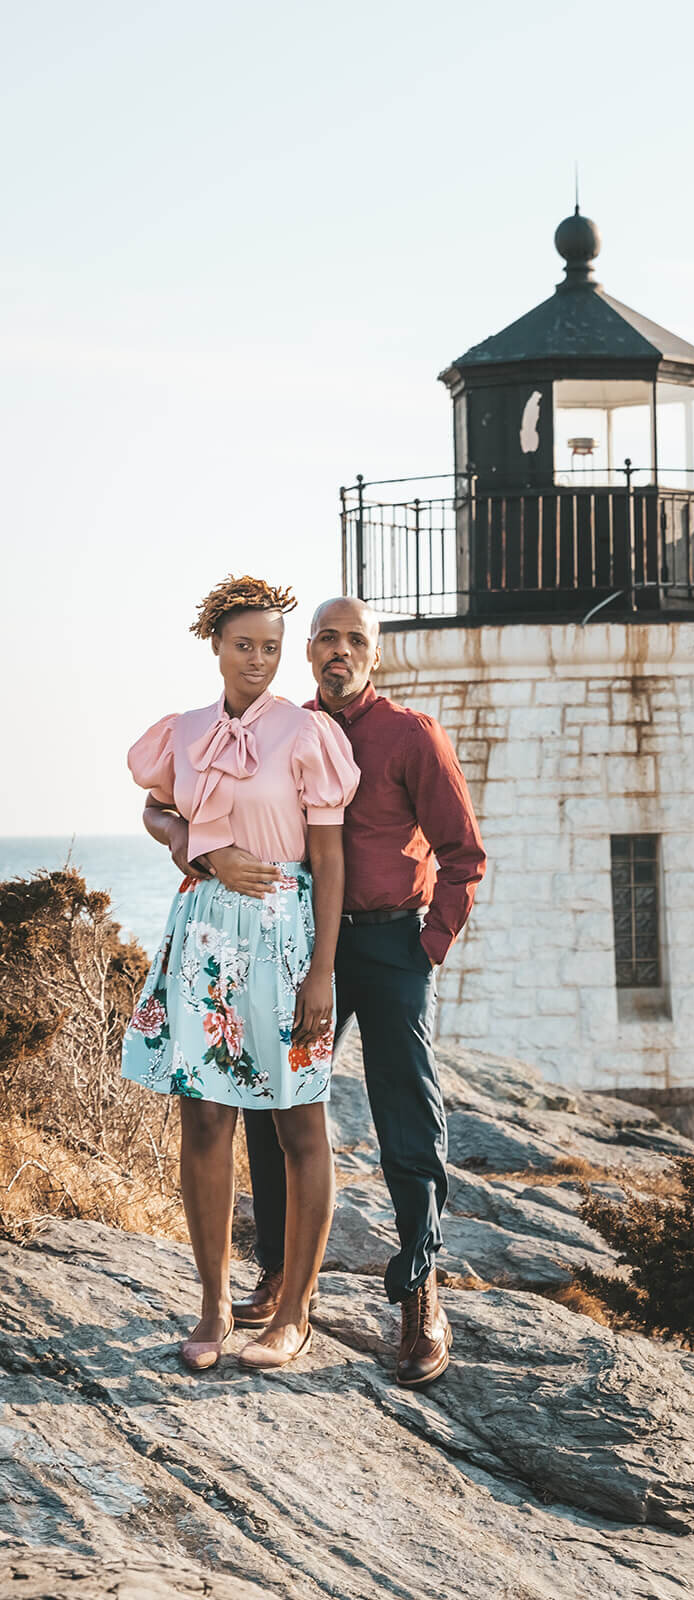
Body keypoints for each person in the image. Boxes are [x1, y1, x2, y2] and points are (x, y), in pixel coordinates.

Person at [207, 595, 486, 1386]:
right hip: (300, 945)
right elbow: (203, 803)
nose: (339, 650)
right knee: (274, 1103)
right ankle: (276, 1275)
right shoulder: (283, 730)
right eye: (326, 637)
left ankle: (419, 1291)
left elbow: (464, 853)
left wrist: (428, 944)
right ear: (308, 652)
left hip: (393, 944)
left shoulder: (410, 735)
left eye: (354, 640)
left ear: (374, 655)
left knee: (406, 1112)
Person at [122, 575, 359, 1373]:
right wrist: (194, 844)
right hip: (202, 935)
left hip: (286, 938)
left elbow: (328, 859)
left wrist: (321, 971)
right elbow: (157, 810)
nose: (259, 660)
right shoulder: (181, 732)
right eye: (244, 645)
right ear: (216, 646)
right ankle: (213, 1304)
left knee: (299, 1123)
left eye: (272, 648)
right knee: (204, 1122)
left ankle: (293, 1311)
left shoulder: (306, 735)